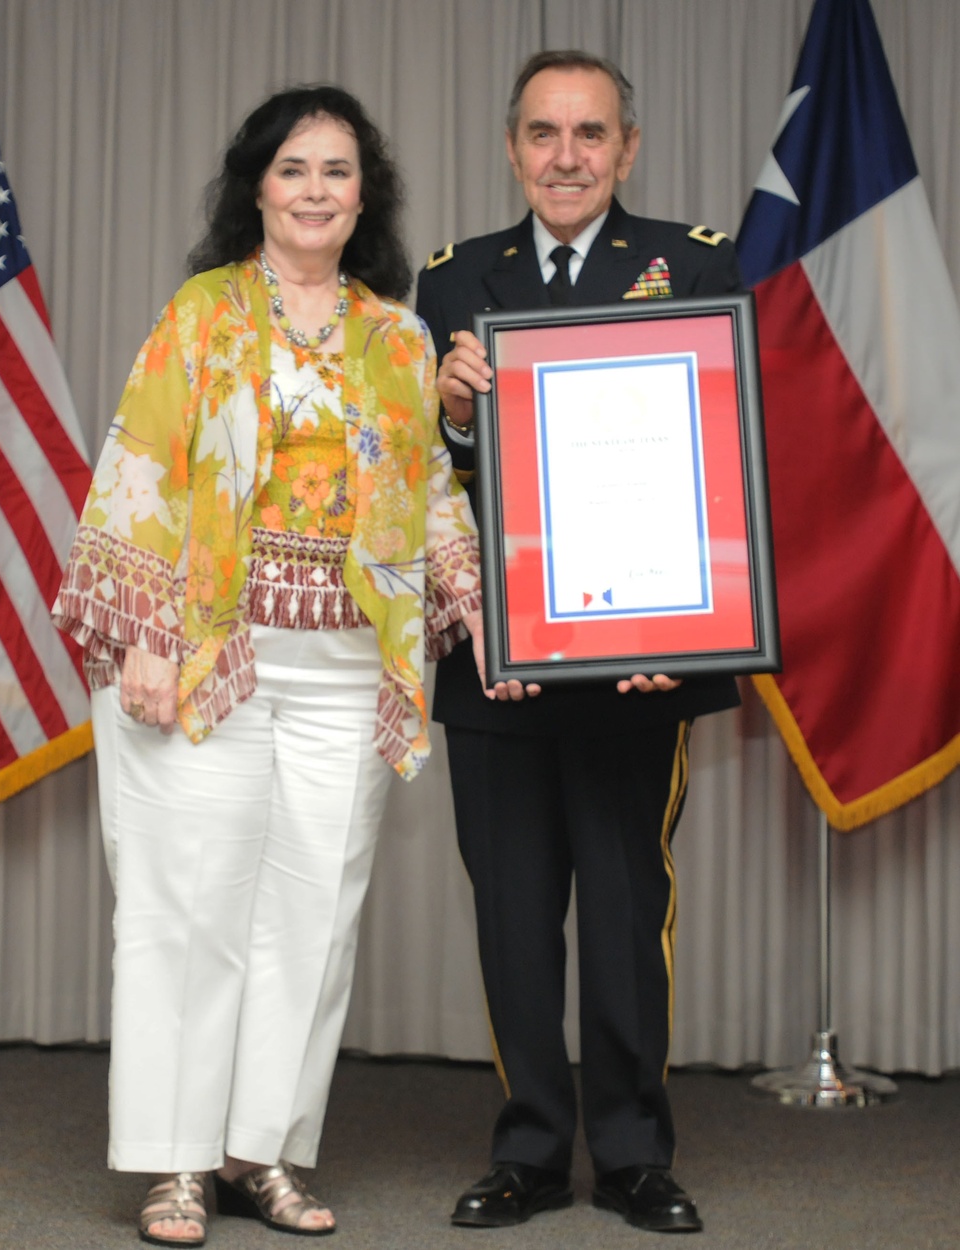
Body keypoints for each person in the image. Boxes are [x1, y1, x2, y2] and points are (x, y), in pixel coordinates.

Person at [53, 85, 483, 1247]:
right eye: (294, 168)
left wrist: (498, 612)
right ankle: (177, 1164)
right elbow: (140, 468)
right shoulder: (201, 314)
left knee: (313, 916)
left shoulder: (395, 335)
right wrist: (143, 630)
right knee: (186, 909)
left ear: (363, 196)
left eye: (337, 171)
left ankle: (265, 1150)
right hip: (205, 655)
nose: (314, 190)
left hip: (348, 666)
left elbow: (433, 494)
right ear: (258, 185)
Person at [416, 49, 742, 1235]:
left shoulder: (697, 264)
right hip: (493, 667)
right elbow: (424, 483)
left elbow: (723, 469)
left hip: (640, 662)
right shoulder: (453, 280)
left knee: (621, 917)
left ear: (627, 149)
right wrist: (449, 412)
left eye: (589, 134)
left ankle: (635, 1151)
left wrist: (688, 632)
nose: (566, 157)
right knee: (510, 923)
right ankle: (530, 1152)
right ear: (512, 147)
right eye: (544, 134)